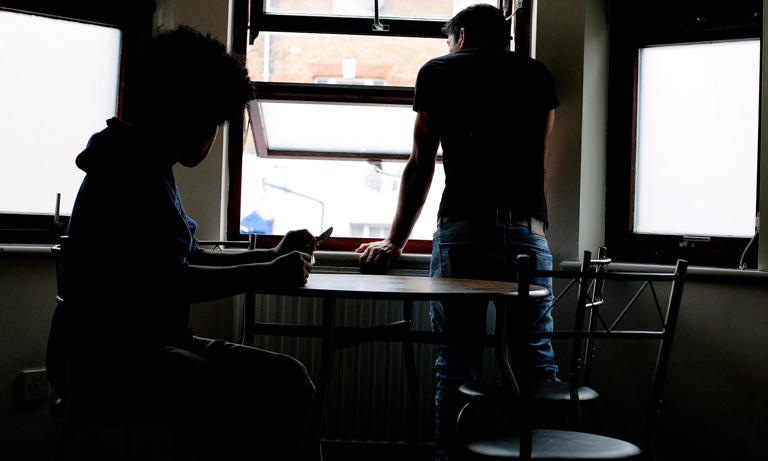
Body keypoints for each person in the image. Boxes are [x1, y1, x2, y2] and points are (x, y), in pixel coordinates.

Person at [63, 26, 315, 460]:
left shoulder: (143, 161)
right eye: (212, 121)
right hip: (116, 359)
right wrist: (265, 271)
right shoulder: (129, 173)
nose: (213, 135)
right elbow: (165, 281)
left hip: (149, 344)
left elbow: (184, 258)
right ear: (184, 111)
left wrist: (270, 256)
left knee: (288, 378)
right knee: (252, 394)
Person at [355, 4, 559, 460]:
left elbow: (422, 162)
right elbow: (539, 162)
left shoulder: (440, 71)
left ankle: (451, 460)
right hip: (528, 233)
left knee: (456, 362)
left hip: (464, 230)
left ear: (461, 36)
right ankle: (548, 457)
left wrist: (396, 241)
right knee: (536, 361)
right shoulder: (538, 75)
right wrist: (533, 229)